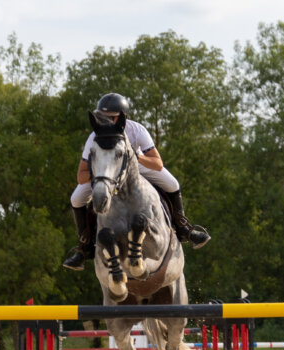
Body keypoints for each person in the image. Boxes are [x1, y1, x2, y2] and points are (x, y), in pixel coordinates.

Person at [62, 93, 211, 270]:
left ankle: (184, 228)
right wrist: (101, 172)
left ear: (122, 118)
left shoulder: (136, 130)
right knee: (76, 199)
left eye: (110, 117)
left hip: (136, 166)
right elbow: (81, 176)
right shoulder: (95, 136)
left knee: (172, 184)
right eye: (102, 117)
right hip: (106, 172)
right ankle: (84, 248)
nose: (106, 121)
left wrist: (136, 157)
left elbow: (157, 163)